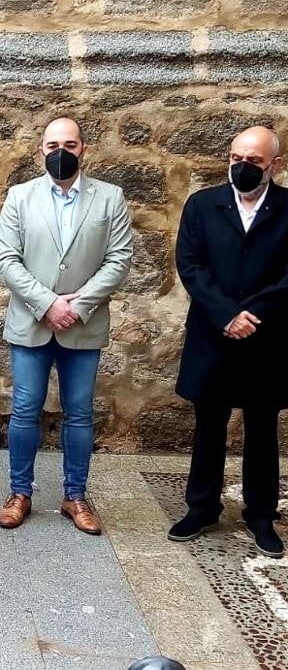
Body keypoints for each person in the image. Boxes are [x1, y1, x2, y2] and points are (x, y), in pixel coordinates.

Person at [0, 117, 133, 535]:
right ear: (40, 152)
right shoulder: (20, 197)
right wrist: (48, 303)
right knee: (24, 409)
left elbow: (119, 258)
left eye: (69, 145)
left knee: (79, 413)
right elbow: (7, 259)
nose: (61, 152)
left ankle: (75, 495)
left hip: (83, 324)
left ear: (83, 149)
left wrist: (80, 304)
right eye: (52, 145)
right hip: (32, 322)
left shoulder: (110, 198)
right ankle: (19, 493)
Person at [169, 126, 288, 558]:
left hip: (266, 336)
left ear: (274, 164)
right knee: (209, 425)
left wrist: (253, 314)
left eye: (253, 161)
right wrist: (226, 314)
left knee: (262, 428)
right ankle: (201, 507)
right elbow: (191, 264)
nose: (242, 166)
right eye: (236, 157)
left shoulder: (287, 209)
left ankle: (260, 514)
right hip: (213, 334)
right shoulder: (203, 205)